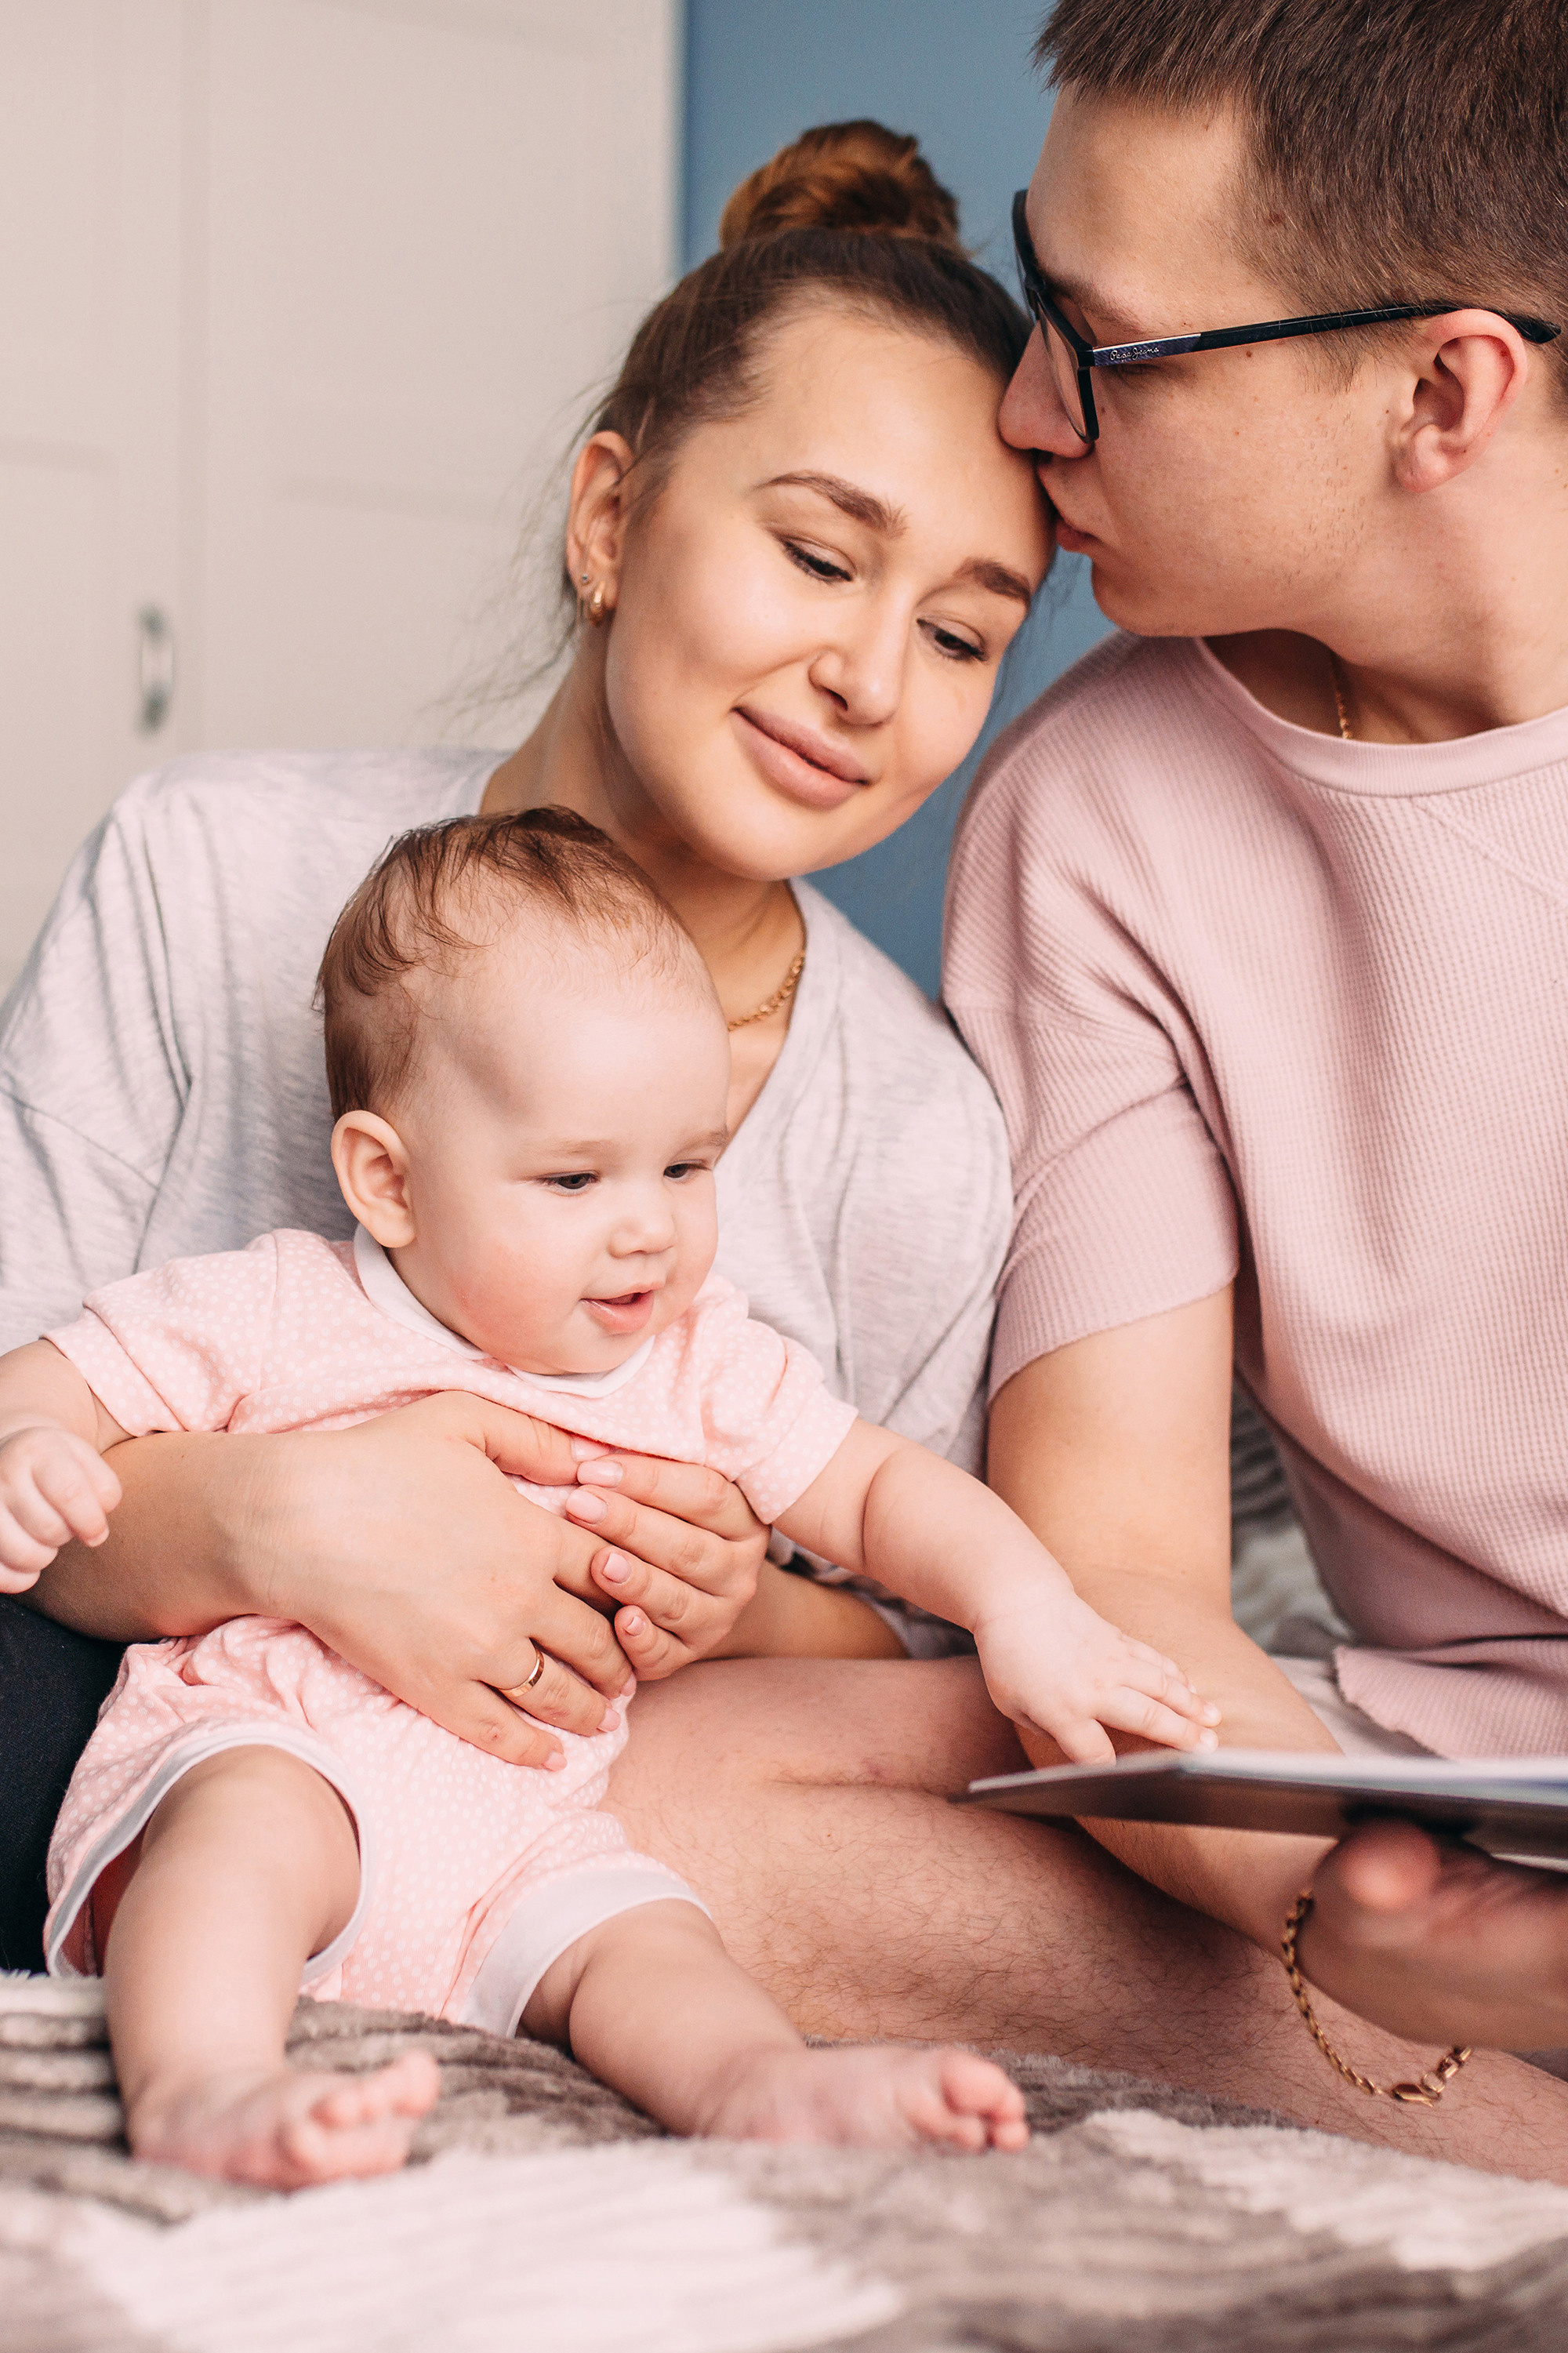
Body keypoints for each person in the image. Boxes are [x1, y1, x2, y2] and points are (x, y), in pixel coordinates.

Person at [0, 122, 1048, 1952]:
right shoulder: (204, 874)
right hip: (116, 1751)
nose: (870, 680)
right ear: (608, 518)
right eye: (818, 555)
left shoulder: (915, 1134)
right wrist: (276, 1519)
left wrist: (730, 1603)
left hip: (546, 1844)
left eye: (961, 636)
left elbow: (913, 1643)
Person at [0, 808, 1218, 2186]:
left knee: (648, 1931)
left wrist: (1024, 1605)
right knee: (242, 1840)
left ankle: (761, 2085)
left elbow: (881, 1491)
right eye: (576, 1176)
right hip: (282, 1739)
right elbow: (52, 1379)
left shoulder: (698, 1360)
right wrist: (37, 1444)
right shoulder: (288, 1303)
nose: (648, 1226)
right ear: (388, 1181)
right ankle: (205, 2083)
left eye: (687, 1165)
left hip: (526, 1824)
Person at [944, 0, 1568, 2106]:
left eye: (1106, 348)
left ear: (1440, 391)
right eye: (1032, 295)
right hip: (1426, 1800)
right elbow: (1117, 1568)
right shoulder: (1092, 811)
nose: (1026, 407)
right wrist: (1353, 1909)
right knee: (712, 1780)